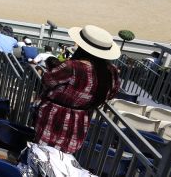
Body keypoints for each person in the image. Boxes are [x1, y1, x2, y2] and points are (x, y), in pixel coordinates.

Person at [34, 25, 121, 155]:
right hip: (81, 119)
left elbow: (48, 80)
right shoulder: (112, 71)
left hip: (54, 116)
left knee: (42, 154)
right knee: (63, 159)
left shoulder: (73, 66)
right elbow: (112, 93)